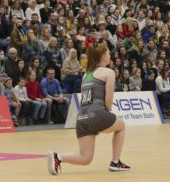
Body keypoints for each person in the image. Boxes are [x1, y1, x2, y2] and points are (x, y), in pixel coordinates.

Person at [47, 43, 129, 175]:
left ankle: (58, 157)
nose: (110, 56)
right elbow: (108, 101)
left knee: (86, 158)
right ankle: (115, 162)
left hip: (82, 118)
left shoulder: (86, 74)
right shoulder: (109, 72)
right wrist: (106, 114)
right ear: (103, 56)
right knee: (121, 126)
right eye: (108, 53)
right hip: (97, 114)